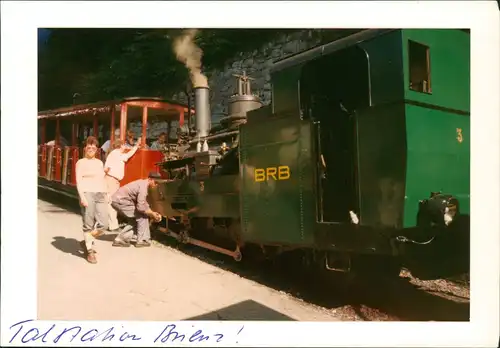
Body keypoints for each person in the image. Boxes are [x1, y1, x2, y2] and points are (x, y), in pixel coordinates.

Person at [75, 136, 108, 264]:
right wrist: (82, 196)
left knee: (104, 224)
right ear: (85, 149)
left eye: (93, 148)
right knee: (88, 223)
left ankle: (87, 238)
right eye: (89, 147)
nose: (91, 149)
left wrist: (107, 193)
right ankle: (90, 251)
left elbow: (102, 178)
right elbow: (78, 180)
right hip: (87, 193)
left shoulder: (99, 163)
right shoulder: (81, 162)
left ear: (96, 150)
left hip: (100, 193)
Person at [110, 172, 163, 248]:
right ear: (150, 179)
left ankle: (121, 240)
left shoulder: (143, 184)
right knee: (141, 216)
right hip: (120, 201)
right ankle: (142, 240)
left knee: (135, 219)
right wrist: (152, 214)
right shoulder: (143, 187)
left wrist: (152, 212)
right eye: (156, 182)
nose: (156, 184)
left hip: (119, 200)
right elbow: (141, 207)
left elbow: (143, 203)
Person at [103, 136, 142, 233]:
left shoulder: (114, 153)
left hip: (111, 179)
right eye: (124, 144)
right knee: (111, 201)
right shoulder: (117, 154)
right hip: (112, 179)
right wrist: (136, 146)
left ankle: (109, 224)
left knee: (110, 201)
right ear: (120, 146)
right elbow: (128, 155)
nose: (125, 146)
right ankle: (112, 226)